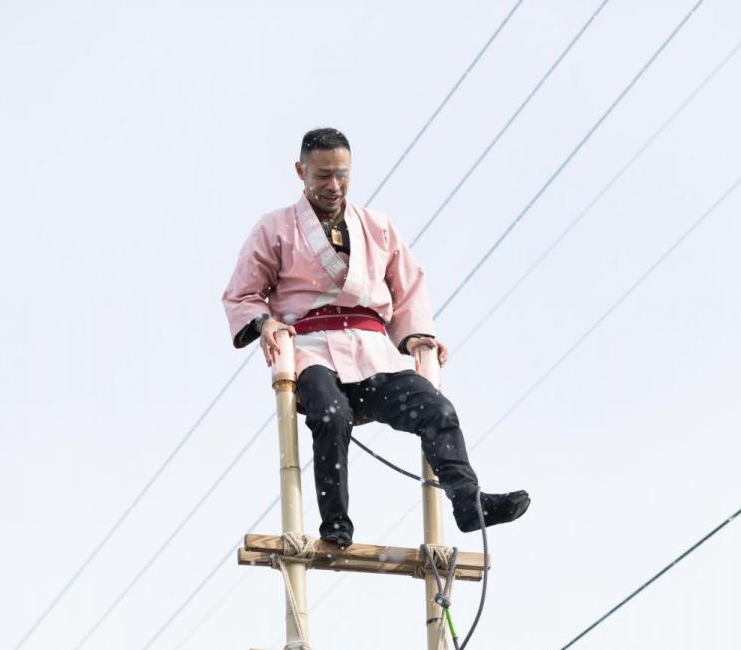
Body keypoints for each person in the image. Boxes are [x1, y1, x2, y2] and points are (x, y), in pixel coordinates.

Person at [222, 127, 530, 548]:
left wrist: (419, 336)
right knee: (331, 417)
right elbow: (243, 293)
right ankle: (336, 523)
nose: (334, 186)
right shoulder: (274, 228)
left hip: (374, 353)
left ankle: (468, 503)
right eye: (323, 176)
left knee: (437, 409)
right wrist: (265, 324)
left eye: (342, 175)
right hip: (312, 351)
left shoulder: (378, 226)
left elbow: (408, 291)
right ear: (301, 171)